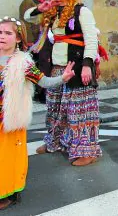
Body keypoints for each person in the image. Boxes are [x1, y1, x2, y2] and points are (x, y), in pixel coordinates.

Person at [25, 0, 101, 166]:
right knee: (54, 109)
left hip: (76, 67)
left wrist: (86, 65)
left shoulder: (82, 11)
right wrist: (38, 9)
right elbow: (26, 18)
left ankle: (87, 151)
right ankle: (55, 142)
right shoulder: (52, 12)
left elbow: (91, 40)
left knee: (78, 112)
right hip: (57, 68)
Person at [0, 18, 75, 210]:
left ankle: (8, 192)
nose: (2, 37)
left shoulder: (22, 64)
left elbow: (43, 82)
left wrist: (63, 78)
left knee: (7, 159)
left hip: (7, 121)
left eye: (8, 33)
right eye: (0, 32)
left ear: (18, 38)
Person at [19, 0, 52, 103]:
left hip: (46, 37)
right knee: (42, 65)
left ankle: (45, 91)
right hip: (36, 40)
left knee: (46, 64)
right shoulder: (28, 2)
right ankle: (42, 93)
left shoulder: (44, 1)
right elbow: (25, 22)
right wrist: (28, 40)